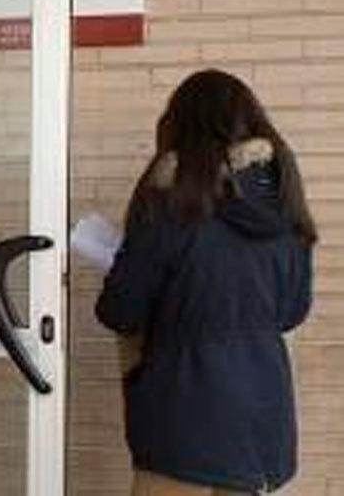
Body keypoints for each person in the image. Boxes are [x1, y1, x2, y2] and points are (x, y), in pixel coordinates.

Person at [96, 69, 316, 495]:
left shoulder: (169, 204)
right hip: (261, 427)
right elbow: (292, 312)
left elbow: (119, 311)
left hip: (181, 426)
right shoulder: (286, 210)